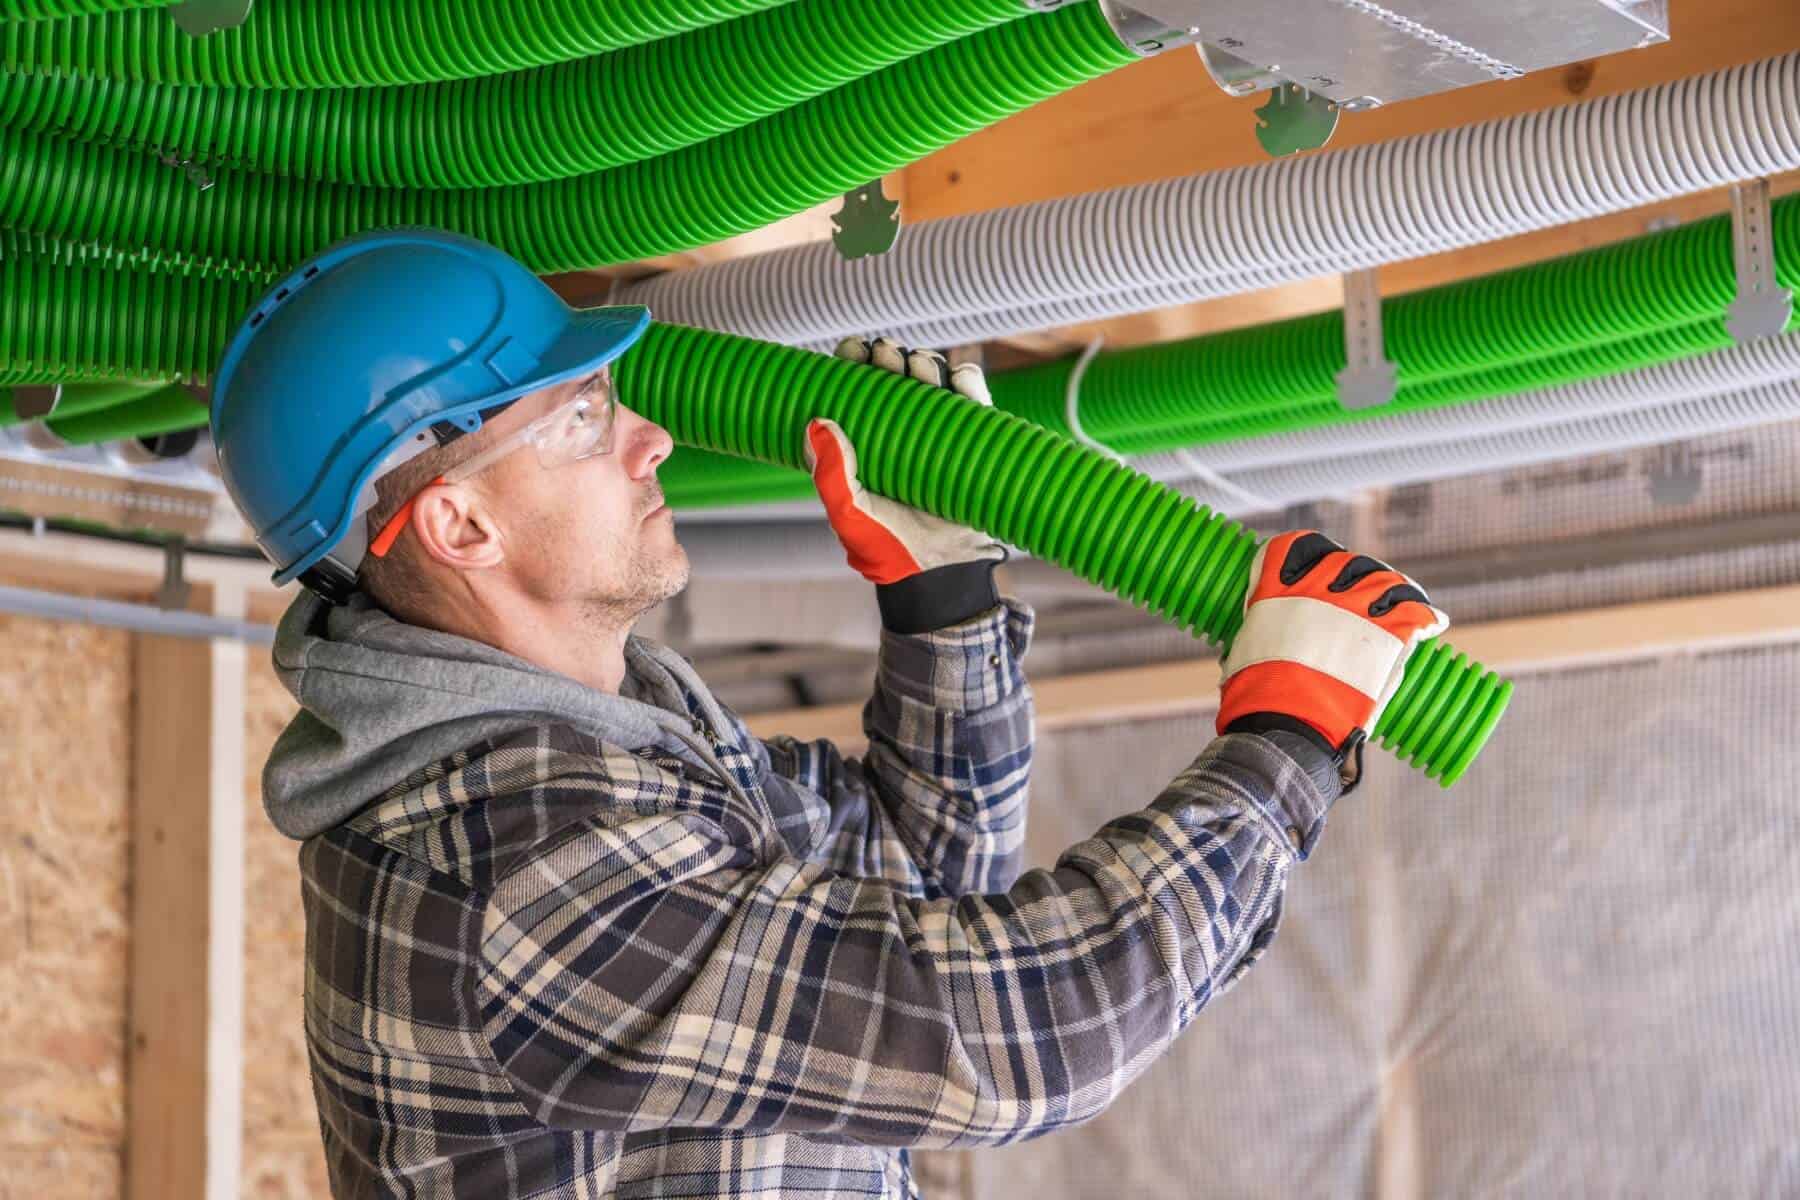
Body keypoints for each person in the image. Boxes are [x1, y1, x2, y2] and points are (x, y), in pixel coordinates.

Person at [212, 228, 1448, 1199]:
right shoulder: (515, 862)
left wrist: (942, 606)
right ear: (459, 526)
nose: (647, 437)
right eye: (582, 419)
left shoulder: (600, 744)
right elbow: (1023, 1037)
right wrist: (1285, 739)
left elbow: (928, 888)